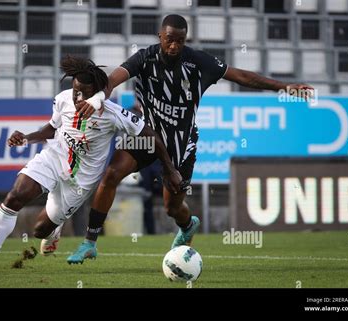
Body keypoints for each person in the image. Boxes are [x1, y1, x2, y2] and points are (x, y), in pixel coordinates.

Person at [64, 14, 314, 264]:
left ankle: (187, 225)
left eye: (180, 41)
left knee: (172, 208)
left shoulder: (198, 62)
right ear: (160, 36)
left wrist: (284, 87)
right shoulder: (144, 58)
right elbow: (112, 80)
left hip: (180, 144)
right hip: (146, 136)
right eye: (169, 40)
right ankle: (90, 242)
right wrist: (97, 97)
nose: (174, 46)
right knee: (111, 175)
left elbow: (242, 76)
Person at [0, 55, 181, 276]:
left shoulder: (113, 114)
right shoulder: (63, 99)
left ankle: (53, 231)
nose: (77, 97)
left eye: (84, 93)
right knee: (15, 196)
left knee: (39, 230)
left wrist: (169, 169)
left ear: (98, 94)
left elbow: (150, 134)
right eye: (75, 91)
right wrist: (26, 138)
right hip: (54, 158)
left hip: (79, 182)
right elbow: (51, 129)